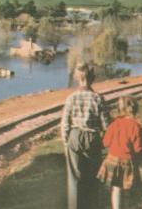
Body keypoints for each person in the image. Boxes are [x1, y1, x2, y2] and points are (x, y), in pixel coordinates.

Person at [61, 62, 110, 209]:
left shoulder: (71, 98)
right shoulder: (98, 98)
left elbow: (65, 124)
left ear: (77, 78)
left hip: (75, 136)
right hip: (93, 137)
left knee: (75, 178)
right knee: (93, 175)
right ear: (92, 78)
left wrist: (65, 142)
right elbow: (106, 125)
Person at [97, 96, 142, 209]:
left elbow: (105, 143)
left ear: (119, 109)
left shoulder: (114, 124)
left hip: (113, 160)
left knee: (116, 189)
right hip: (128, 162)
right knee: (127, 190)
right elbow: (138, 148)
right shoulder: (136, 126)